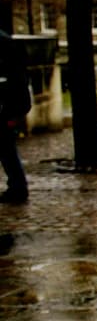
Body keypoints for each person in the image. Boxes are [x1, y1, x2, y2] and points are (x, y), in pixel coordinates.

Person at [0, 31, 31, 204]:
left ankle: (18, 188)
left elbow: (14, 81)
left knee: (7, 149)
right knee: (7, 149)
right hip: (11, 106)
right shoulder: (9, 44)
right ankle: (17, 186)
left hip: (7, 107)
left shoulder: (6, 47)